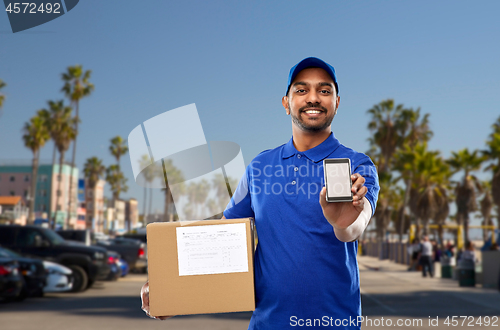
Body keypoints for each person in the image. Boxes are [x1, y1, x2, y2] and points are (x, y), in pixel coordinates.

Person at [140, 57, 380, 329]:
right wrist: (173, 290)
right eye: (301, 90)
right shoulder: (260, 167)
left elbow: (354, 228)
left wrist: (342, 223)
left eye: (324, 91)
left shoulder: (358, 166)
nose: (313, 98)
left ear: (337, 102)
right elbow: (224, 239)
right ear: (286, 103)